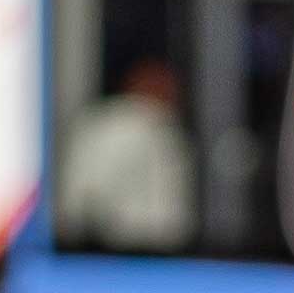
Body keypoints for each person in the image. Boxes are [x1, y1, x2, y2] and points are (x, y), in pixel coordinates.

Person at [50, 56, 198, 254]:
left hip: (158, 251)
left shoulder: (163, 126)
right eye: (159, 81)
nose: (171, 90)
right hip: (123, 250)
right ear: (137, 82)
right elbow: (85, 194)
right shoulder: (120, 124)